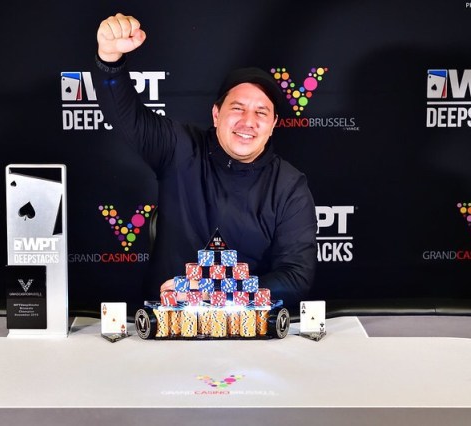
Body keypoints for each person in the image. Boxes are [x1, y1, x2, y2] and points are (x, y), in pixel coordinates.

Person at [94, 13, 317, 310]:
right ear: (216, 114)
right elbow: (127, 119)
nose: (248, 121)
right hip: (169, 324)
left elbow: (296, 276)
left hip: (248, 329)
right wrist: (110, 60)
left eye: (261, 113)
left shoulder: (289, 186)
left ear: (274, 124)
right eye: (237, 108)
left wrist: (221, 291)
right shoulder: (179, 148)